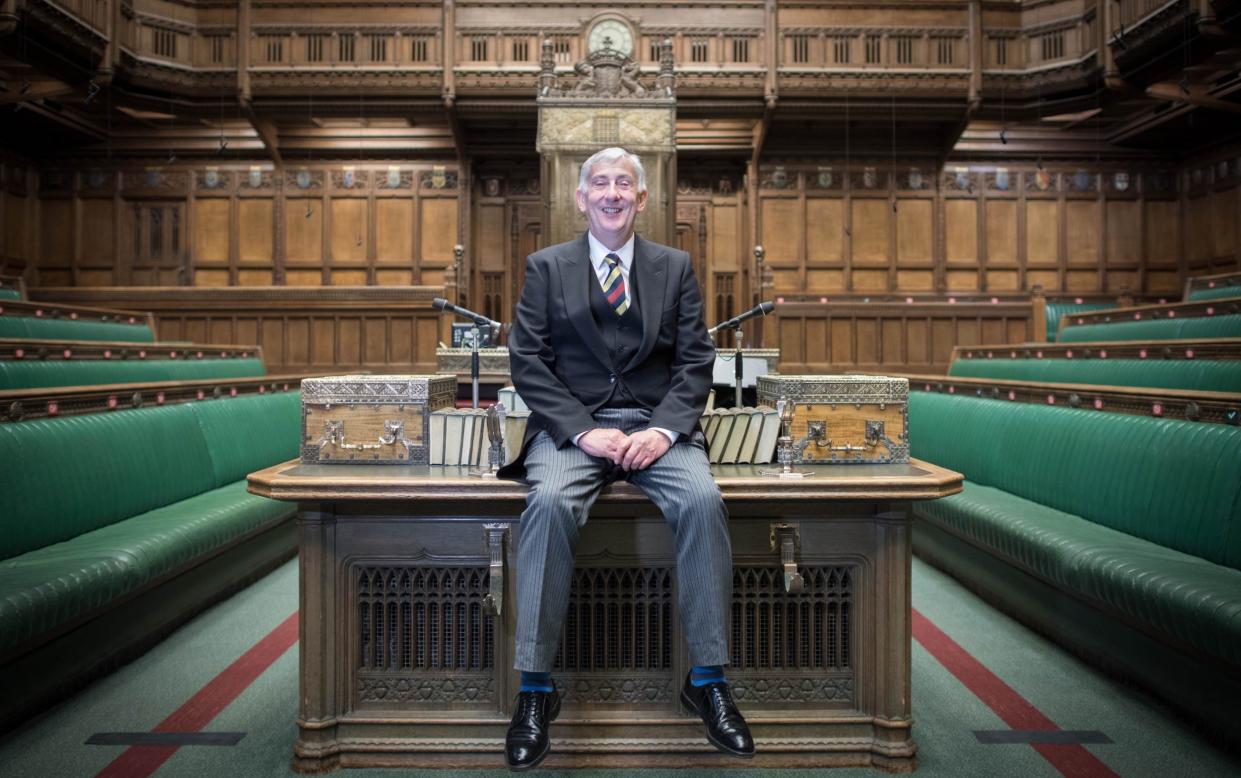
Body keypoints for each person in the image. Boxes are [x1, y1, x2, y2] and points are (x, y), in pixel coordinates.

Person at [499, 147, 754, 770]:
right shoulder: (545, 267)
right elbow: (527, 362)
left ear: (642, 199)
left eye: (625, 185)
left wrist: (665, 431)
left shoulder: (676, 266)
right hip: (574, 432)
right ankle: (535, 689)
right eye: (600, 184)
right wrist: (583, 432)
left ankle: (708, 679)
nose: (612, 193)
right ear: (581, 198)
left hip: (655, 429)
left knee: (702, 500)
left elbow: (697, 362)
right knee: (552, 503)